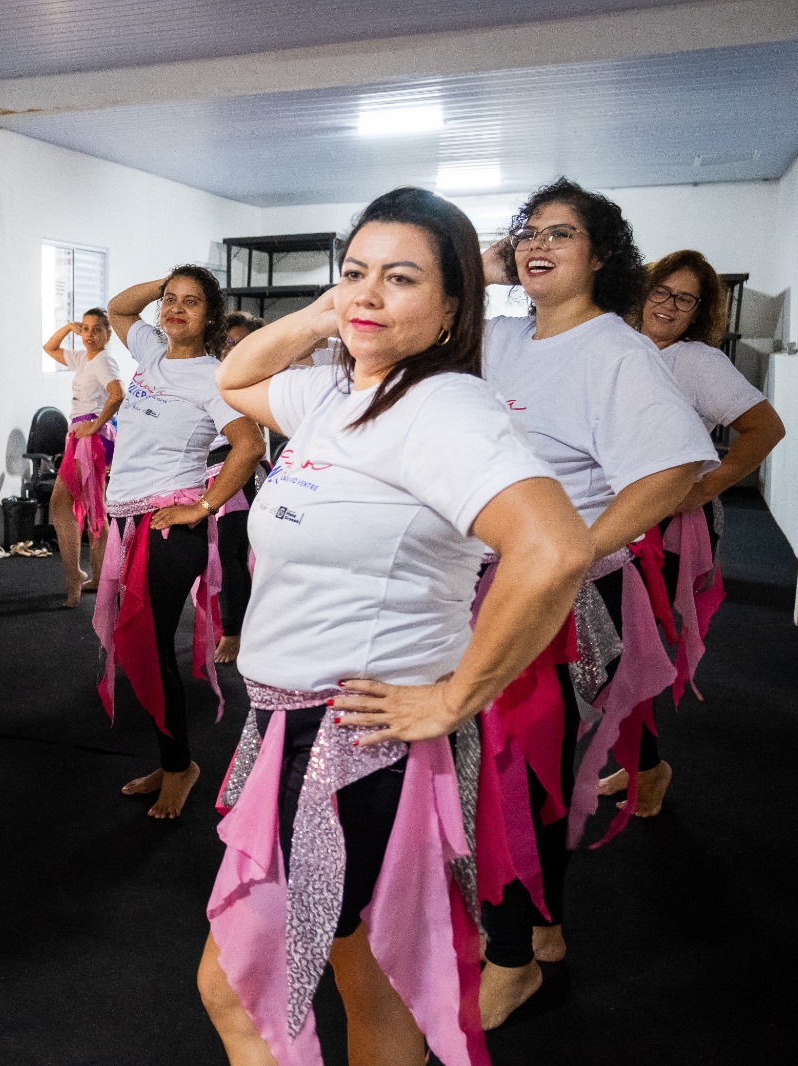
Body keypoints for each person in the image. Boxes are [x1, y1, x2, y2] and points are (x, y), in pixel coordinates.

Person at [198, 187, 589, 1066]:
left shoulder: (442, 409)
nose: (366, 295)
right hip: (294, 726)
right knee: (369, 979)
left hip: (347, 745)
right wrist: (331, 310)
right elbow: (236, 376)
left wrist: (455, 696)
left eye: (400, 278)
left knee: (237, 989)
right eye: (355, 272)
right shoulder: (342, 394)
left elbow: (554, 549)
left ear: (454, 306)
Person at [476, 179, 716, 1027]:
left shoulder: (616, 350)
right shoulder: (500, 335)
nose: (539, 245)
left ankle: (512, 954)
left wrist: (577, 551)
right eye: (528, 232)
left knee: (509, 768)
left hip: (560, 598)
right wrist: (500, 260)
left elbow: (675, 468)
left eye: (563, 234)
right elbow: (447, 290)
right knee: (503, 766)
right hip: (480, 582)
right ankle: (536, 928)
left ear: (602, 255)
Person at [602, 250, 786, 814]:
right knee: (610, 647)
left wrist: (709, 487)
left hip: (669, 528)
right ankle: (639, 762)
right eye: (661, 290)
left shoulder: (698, 362)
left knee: (635, 649)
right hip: (613, 517)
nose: (668, 305)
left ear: (699, 311)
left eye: (685, 299)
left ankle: (650, 769)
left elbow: (765, 427)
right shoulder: (611, 344)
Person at [98, 266, 264, 819]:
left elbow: (249, 443)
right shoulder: (150, 353)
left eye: (191, 302)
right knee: (141, 647)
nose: (174, 309)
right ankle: (171, 760)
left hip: (169, 528)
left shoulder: (214, 378)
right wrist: (164, 280)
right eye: (170, 300)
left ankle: (180, 767)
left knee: (147, 646)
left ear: (211, 315)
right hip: (132, 522)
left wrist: (206, 503)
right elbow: (121, 307)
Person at [43, 308, 123, 607]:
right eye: (85, 329)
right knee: (89, 506)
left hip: (91, 440)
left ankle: (76, 578)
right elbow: (49, 348)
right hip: (79, 437)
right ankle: (96, 577)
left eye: (96, 330)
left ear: (108, 334)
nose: (89, 335)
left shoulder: (104, 360)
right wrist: (67, 327)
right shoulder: (83, 358)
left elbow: (117, 394)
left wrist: (97, 424)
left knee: (65, 504)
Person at [211, 310, 269, 663]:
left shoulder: (255, 379)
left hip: (241, 470)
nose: (233, 348)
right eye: (228, 341)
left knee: (231, 554)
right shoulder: (210, 375)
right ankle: (237, 627)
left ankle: (234, 633)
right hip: (209, 471)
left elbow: (252, 442)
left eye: (242, 343)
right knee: (226, 556)